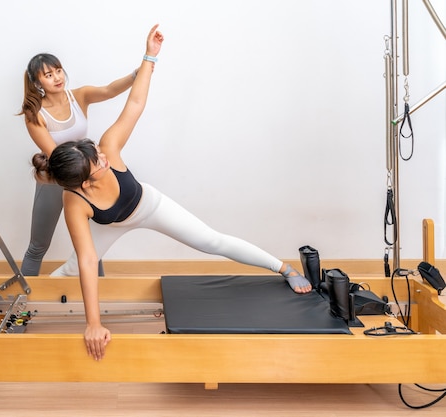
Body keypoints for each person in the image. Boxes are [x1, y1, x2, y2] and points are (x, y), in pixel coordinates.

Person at [33, 24, 312, 361]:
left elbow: (135, 103)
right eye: (99, 163)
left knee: (212, 241)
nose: (105, 157)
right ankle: (23, 305)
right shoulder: (74, 199)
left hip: (147, 205)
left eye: (99, 154)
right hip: (110, 223)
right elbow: (90, 259)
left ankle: (283, 268)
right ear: (86, 183)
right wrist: (94, 323)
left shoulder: (108, 147)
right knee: (72, 269)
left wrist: (150, 55)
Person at [18, 51, 139, 276]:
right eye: (48, 74)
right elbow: (55, 154)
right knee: (38, 246)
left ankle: (98, 299)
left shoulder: (79, 97)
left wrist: (136, 75)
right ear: (37, 82)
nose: (57, 77)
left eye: (58, 70)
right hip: (56, 180)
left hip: (87, 178)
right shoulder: (35, 114)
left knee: (93, 247)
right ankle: (22, 305)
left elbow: (109, 90)